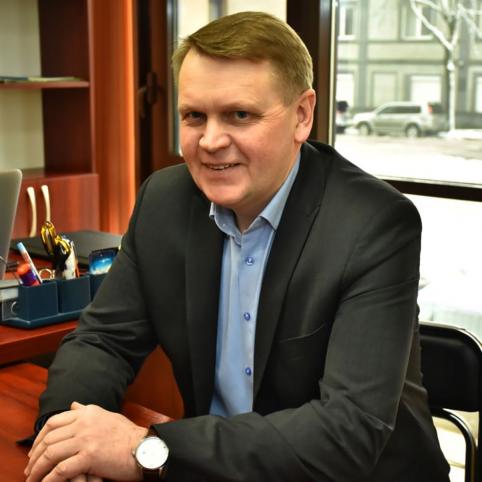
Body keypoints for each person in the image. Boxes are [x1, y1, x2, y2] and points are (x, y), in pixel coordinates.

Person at [25, 11, 449, 482]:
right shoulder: (164, 200)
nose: (210, 141)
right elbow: (102, 340)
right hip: (210, 468)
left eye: (239, 115)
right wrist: (66, 439)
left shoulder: (373, 224)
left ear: (302, 115)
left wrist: (144, 449)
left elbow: (347, 431)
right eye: (194, 116)